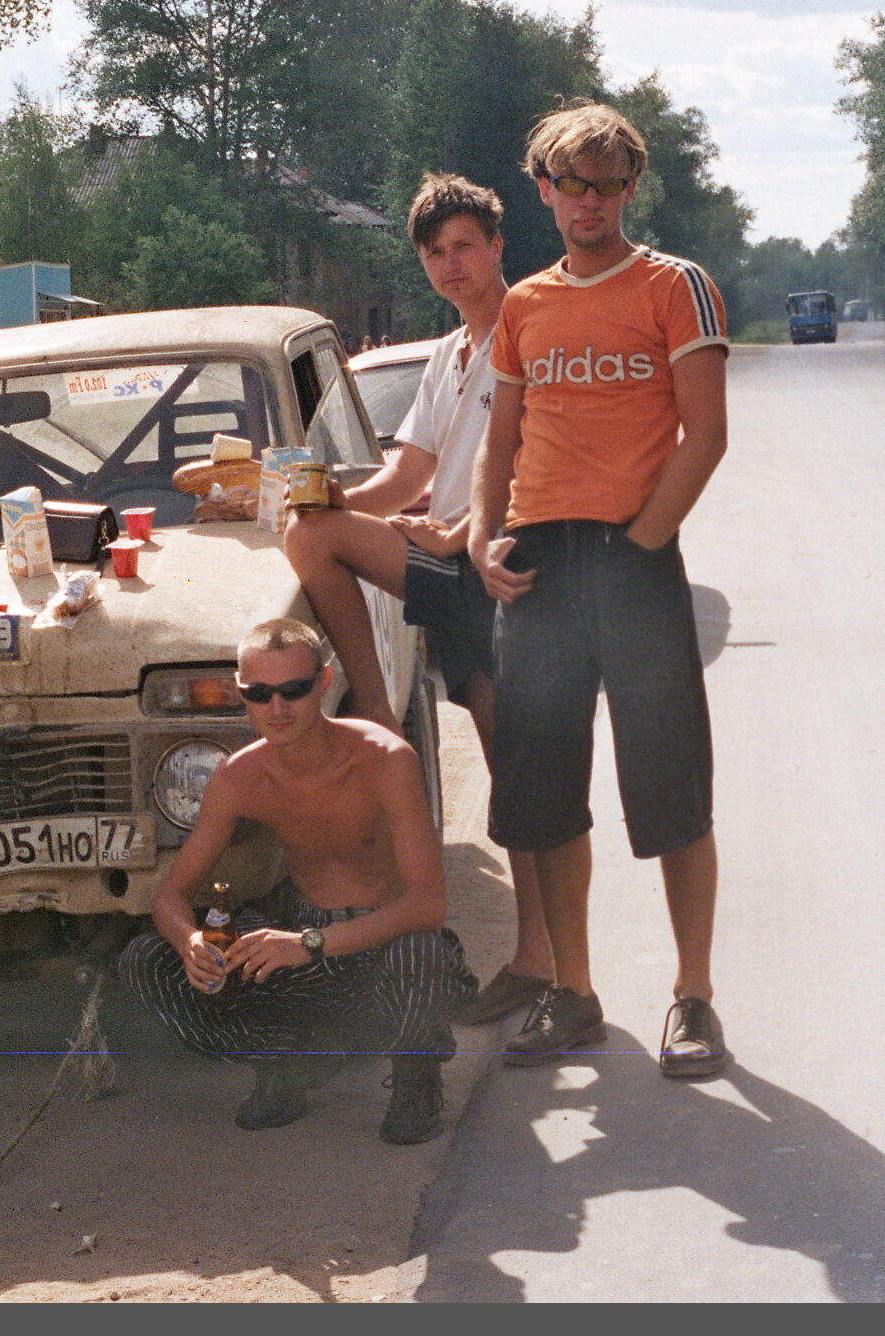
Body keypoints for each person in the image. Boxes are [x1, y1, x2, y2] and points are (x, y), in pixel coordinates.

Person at [467, 100, 732, 1079]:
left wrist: (641, 542)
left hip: (634, 555)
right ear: (545, 190)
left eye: (609, 184)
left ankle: (693, 996)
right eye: (574, 184)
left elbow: (705, 434)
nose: (591, 202)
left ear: (630, 188)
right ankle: (573, 991)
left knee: (670, 787)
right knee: (542, 793)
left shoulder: (675, 286)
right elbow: (499, 441)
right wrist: (481, 537)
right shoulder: (525, 306)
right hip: (537, 563)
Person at [284, 174, 555, 1027]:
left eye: (464, 246)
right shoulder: (448, 351)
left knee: (517, 771)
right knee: (311, 531)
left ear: (498, 246)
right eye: (435, 253)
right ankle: (379, 714)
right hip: (451, 562)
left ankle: (540, 960)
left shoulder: (531, 330)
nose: (451, 264)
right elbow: (408, 473)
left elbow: (541, 461)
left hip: (507, 565)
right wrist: (330, 499)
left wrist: (463, 528)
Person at [117, 619, 478, 1143]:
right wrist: (191, 943)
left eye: (294, 690)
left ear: (324, 681)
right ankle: (287, 1061)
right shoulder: (240, 776)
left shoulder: (384, 759)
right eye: (259, 693)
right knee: (147, 960)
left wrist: (309, 943)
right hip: (301, 951)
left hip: (381, 944)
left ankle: (415, 1075)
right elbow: (170, 897)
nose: (277, 708)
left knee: (421, 954)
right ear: (241, 692)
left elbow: (427, 906)